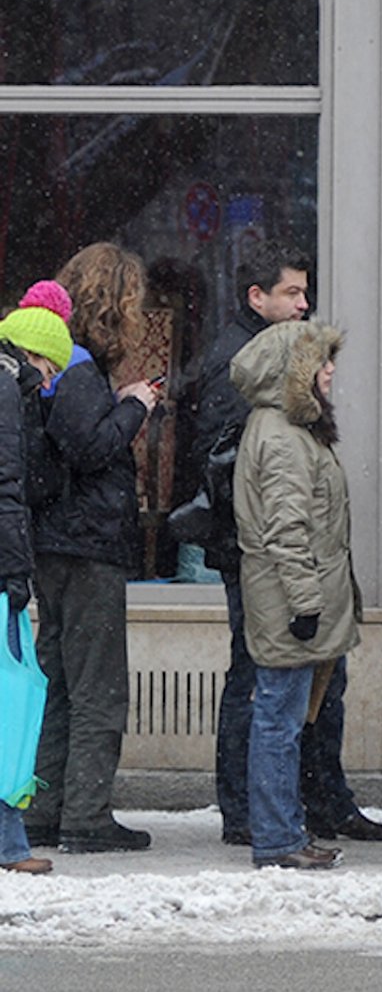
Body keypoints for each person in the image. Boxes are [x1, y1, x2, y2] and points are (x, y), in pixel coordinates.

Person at [183, 242, 382, 848]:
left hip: (288, 576)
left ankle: (307, 806)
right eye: (293, 295)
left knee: (301, 698)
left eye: (307, 294)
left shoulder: (291, 404)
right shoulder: (260, 390)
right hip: (274, 578)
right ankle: (263, 818)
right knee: (269, 699)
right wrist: (295, 588)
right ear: (257, 298)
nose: (304, 306)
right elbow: (268, 506)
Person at [23, 244, 157, 853]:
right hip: (85, 548)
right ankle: (85, 815)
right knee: (97, 686)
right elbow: (91, 447)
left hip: (53, 545)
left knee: (57, 682)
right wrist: (135, 406)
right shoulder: (77, 368)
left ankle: (45, 808)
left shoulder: (53, 363)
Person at [230, 320, 357, 870]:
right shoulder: (282, 435)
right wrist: (306, 603)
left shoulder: (292, 428)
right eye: (320, 362)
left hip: (291, 596)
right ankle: (279, 838)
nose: (330, 371)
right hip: (287, 602)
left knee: (282, 719)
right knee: (279, 721)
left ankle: (284, 832)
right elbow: (287, 530)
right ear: (295, 374)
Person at [0, 294, 68, 875]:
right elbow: (7, 490)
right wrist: (17, 571)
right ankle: (8, 843)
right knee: (9, 706)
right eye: (49, 371)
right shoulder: (5, 390)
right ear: (32, 355)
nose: (48, 385)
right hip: (1, 572)